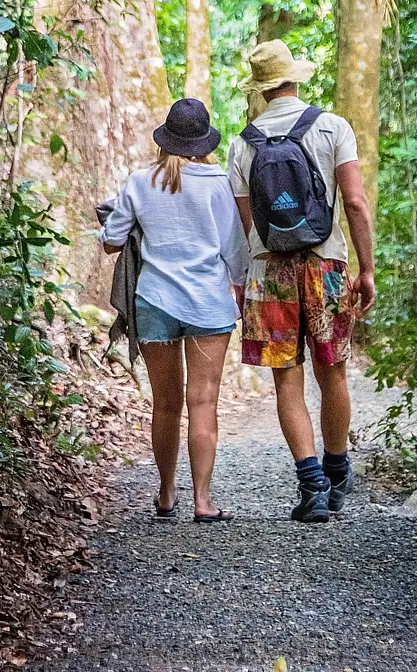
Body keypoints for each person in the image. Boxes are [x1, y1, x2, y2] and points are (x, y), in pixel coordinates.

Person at [228, 40, 375, 523]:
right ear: (295, 79)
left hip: (268, 273)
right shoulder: (332, 127)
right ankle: (336, 471)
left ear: (261, 88)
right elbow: (354, 202)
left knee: (285, 379)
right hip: (325, 266)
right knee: (331, 371)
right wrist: (367, 268)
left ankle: (310, 484)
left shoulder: (241, 144)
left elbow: (249, 225)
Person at [100, 98, 249, 523]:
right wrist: (239, 288)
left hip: (155, 302)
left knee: (165, 403)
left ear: (166, 139)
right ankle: (203, 501)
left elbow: (112, 240)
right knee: (203, 402)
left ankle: (166, 493)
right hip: (208, 305)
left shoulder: (140, 182)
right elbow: (235, 252)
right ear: (204, 143)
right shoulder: (219, 182)